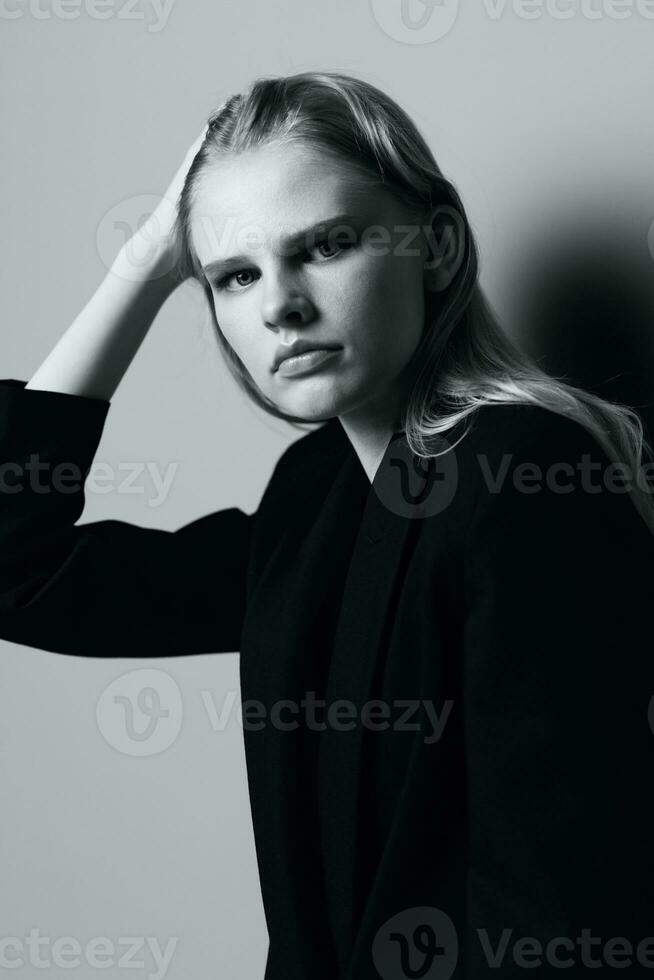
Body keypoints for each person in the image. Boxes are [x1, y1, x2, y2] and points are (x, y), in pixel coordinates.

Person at [1, 70, 653, 979]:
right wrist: (145, 265)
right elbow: (19, 571)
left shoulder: (529, 478)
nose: (279, 305)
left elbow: (559, 911)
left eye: (327, 245)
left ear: (435, 247)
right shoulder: (316, 494)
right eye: (233, 274)